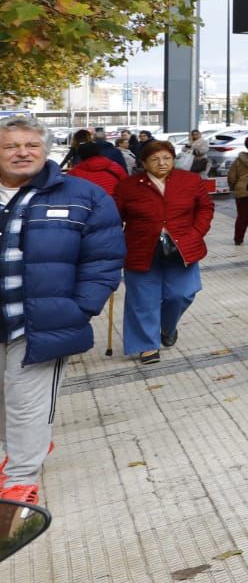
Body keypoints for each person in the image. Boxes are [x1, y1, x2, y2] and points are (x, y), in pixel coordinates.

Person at [0, 116, 124, 532]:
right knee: (7, 404)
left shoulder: (83, 196)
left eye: (31, 144)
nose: (22, 152)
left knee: (26, 402)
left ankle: (20, 481)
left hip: (38, 323)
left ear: (45, 148)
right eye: (11, 145)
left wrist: (79, 308)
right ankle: (23, 447)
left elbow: (104, 258)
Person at [113, 140, 213, 363]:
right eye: (155, 159)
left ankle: (167, 328)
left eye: (167, 158)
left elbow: (205, 207)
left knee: (182, 293)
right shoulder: (128, 186)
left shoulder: (190, 180)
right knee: (142, 299)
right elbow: (114, 219)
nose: (162, 163)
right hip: (140, 248)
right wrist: (109, 245)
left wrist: (196, 232)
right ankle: (147, 345)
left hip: (182, 247)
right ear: (143, 162)